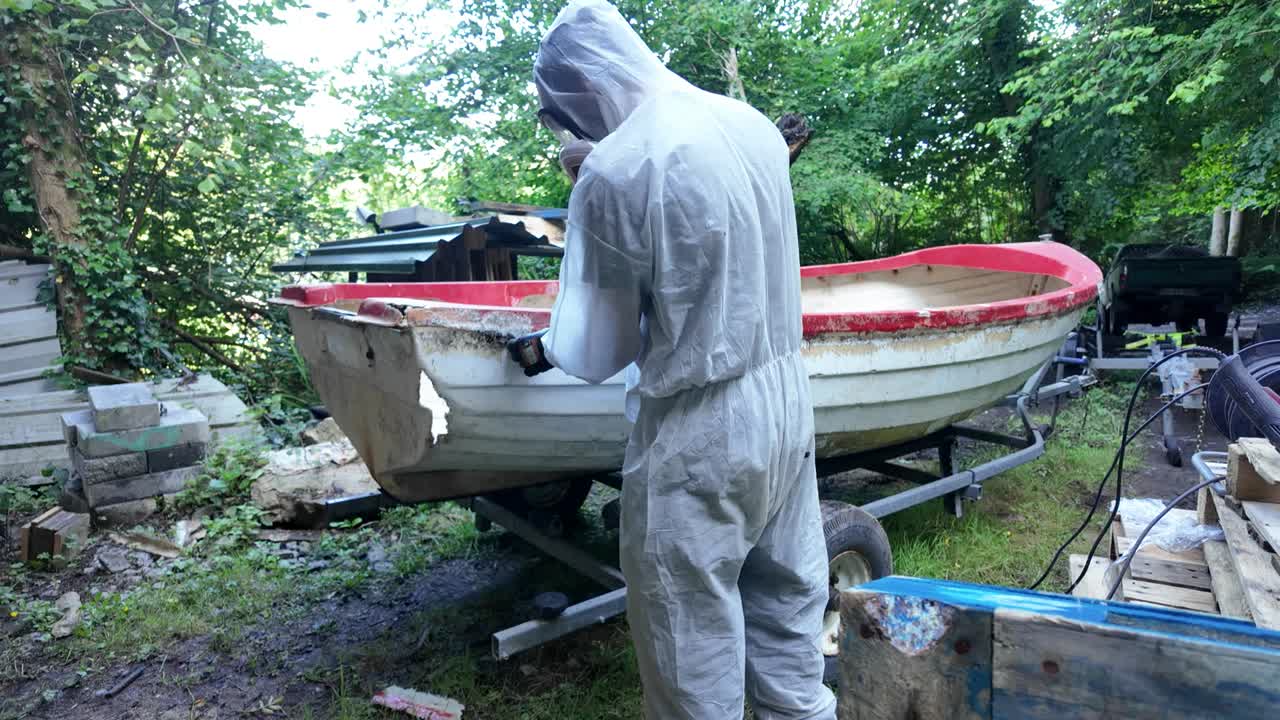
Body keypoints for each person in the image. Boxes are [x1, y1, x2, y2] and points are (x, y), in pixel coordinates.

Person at [507, 2, 835, 718]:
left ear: (579, 89)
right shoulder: (750, 125)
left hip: (699, 431)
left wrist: (589, 198)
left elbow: (599, 351)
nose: (572, 129)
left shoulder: (618, 169)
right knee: (789, 623)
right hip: (786, 402)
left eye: (563, 115)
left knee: (692, 652)